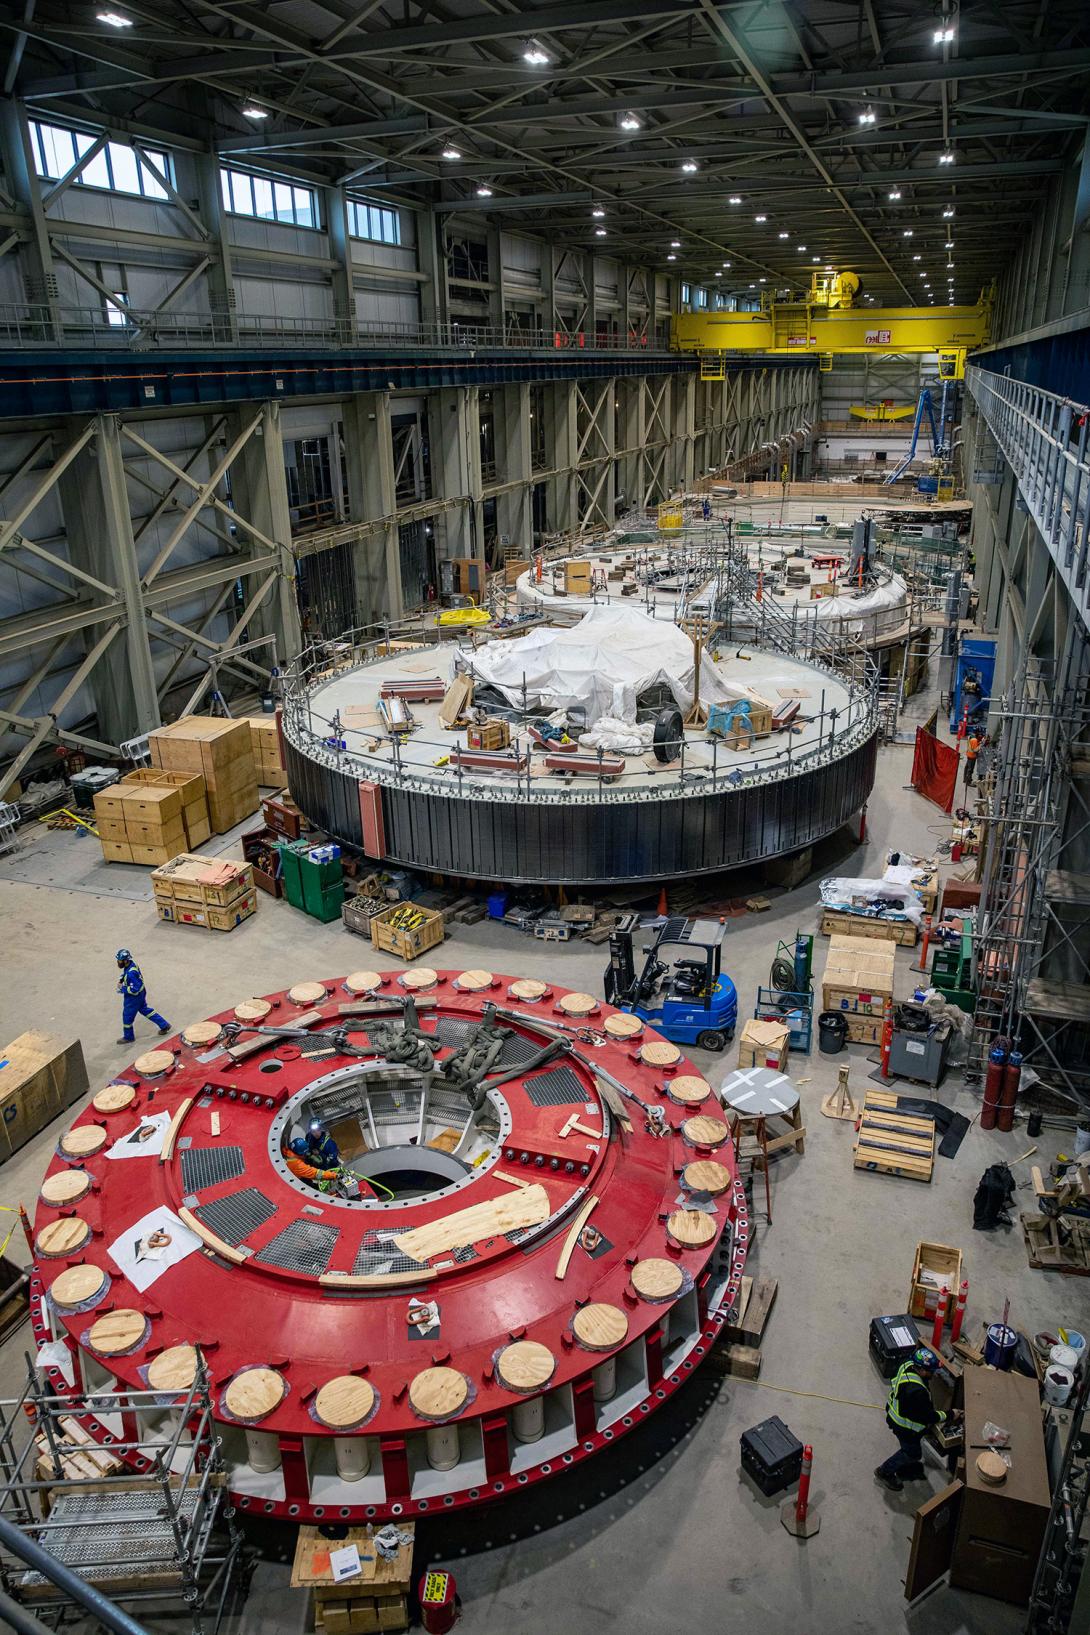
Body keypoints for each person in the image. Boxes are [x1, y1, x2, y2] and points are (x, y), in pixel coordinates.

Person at [875, 1347, 947, 1491]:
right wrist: (949, 1414)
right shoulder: (917, 1391)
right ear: (920, 1369)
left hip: (895, 1411)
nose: (932, 1374)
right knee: (912, 1453)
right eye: (930, 1371)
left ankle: (903, 1464)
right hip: (904, 1427)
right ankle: (885, 1472)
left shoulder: (906, 1364)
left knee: (912, 1452)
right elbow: (928, 1417)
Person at [115, 950, 170, 1045]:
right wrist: (121, 979)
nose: (118, 962)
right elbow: (126, 974)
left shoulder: (130, 974)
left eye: (119, 961)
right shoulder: (132, 965)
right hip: (141, 994)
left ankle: (128, 1037)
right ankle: (164, 1025)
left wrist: (122, 989)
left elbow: (134, 989)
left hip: (133, 998)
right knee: (145, 1010)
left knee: (127, 1017)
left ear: (125, 961)